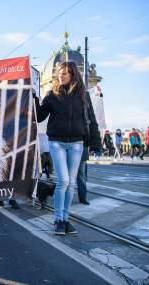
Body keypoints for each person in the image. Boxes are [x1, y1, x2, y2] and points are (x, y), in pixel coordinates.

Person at [34, 61, 101, 236]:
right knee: (63, 181)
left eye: (64, 73)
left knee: (71, 183)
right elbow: (40, 117)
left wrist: (96, 143)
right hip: (57, 142)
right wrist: (34, 99)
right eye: (59, 73)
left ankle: (65, 219)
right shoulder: (52, 94)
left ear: (73, 74)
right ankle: (57, 220)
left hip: (77, 143)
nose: (60, 75)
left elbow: (92, 121)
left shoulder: (83, 95)